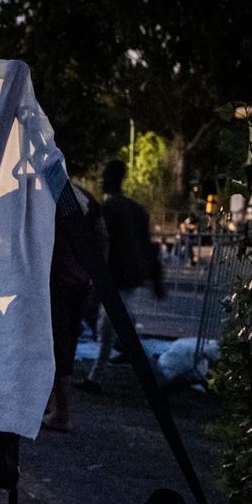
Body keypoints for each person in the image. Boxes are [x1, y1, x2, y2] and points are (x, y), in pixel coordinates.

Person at [80, 160, 164, 391]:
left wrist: (97, 280)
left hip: (116, 277)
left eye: (104, 176)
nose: (101, 181)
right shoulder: (135, 209)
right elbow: (147, 245)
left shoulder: (110, 209)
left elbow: (105, 246)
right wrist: (155, 277)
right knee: (113, 326)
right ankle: (101, 376)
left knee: (109, 327)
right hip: (128, 276)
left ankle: (154, 377)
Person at [43, 185, 103, 431]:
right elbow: (102, 234)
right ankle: (54, 408)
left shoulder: (51, 195)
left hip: (57, 279)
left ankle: (61, 412)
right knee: (66, 342)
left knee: (56, 344)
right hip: (79, 280)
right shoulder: (84, 197)